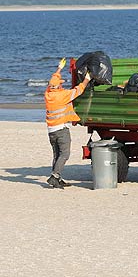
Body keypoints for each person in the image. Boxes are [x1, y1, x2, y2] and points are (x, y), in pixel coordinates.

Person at [44, 58, 91, 188]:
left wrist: (59, 68)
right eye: (60, 84)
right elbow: (79, 90)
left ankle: (57, 179)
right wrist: (87, 78)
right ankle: (54, 176)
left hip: (51, 130)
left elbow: (53, 79)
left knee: (57, 154)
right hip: (61, 130)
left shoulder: (48, 94)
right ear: (58, 86)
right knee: (65, 154)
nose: (62, 85)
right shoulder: (62, 95)